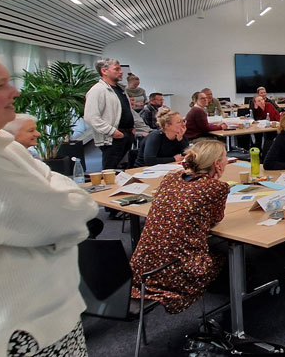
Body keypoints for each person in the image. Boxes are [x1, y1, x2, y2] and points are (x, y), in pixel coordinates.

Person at [0, 47, 98, 356]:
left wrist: (58, 198)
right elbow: (69, 216)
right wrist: (59, 200)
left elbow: (69, 205)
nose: (14, 91)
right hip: (17, 336)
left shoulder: (3, 147)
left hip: (45, 323)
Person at [129, 140, 228, 314]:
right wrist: (216, 181)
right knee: (228, 258)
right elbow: (215, 218)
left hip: (142, 266)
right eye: (225, 157)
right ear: (217, 164)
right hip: (176, 271)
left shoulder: (170, 178)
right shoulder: (215, 187)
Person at [85, 57, 136, 171]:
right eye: (117, 69)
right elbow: (91, 117)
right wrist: (112, 132)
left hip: (125, 135)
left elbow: (127, 110)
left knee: (122, 170)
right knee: (110, 170)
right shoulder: (98, 90)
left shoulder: (119, 89)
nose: (121, 72)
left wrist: (132, 128)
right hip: (113, 138)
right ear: (104, 71)